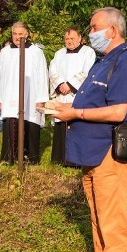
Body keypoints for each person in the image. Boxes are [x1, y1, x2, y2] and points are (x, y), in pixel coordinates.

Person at [53, 7, 127, 252]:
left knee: (112, 220)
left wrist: (75, 113)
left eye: (94, 27)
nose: (90, 33)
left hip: (109, 152)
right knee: (97, 217)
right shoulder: (102, 62)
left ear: (112, 31)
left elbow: (118, 111)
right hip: (90, 151)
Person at [0, 22, 49, 163]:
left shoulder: (36, 52)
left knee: (30, 122)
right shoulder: (6, 51)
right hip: (9, 94)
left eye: (20, 34)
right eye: (14, 34)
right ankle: (9, 157)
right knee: (11, 122)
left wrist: (41, 98)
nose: (17, 37)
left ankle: (30, 157)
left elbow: (42, 75)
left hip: (31, 94)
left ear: (26, 35)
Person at [48, 27, 96, 164]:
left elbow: (88, 71)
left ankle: (75, 161)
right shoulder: (59, 53)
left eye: (72, 39)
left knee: (77, 125)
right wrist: (60, 84)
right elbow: (52, 70)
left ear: (80, 38)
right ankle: (59, 158)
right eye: (67, 39)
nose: (69, 42)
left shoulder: (88, 52)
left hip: (77, 95)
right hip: (61, 95)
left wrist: (70, 85)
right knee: (61, 125)